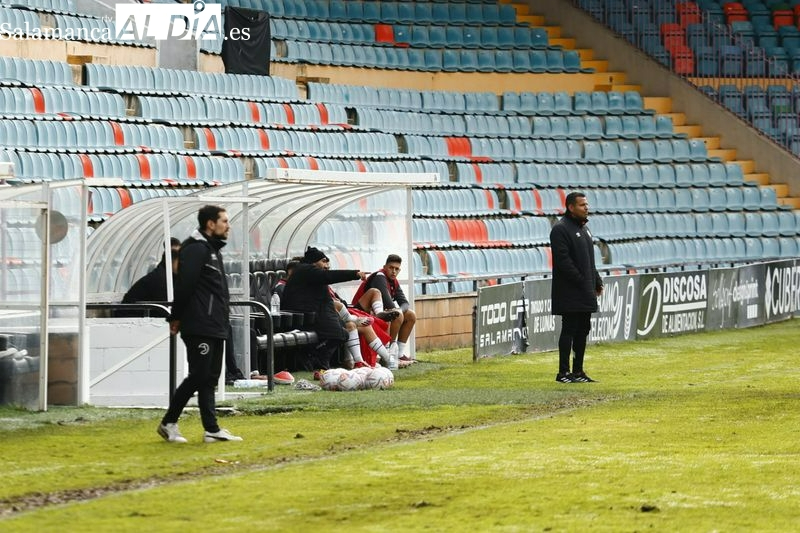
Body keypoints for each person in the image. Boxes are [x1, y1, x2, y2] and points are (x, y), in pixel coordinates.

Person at [158, 205, 242, 443]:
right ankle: (168, 422)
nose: (228, 225)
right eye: (224, 221)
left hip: (214, 323)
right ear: (210, 224)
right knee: (199, 374)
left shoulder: (212, 250)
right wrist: (176, 317)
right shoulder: (196, 249)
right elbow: (185, 286)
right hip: (200, 323)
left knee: (209, 377)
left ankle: (211, 430)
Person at [280, 247, 367, 372]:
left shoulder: (307, 271)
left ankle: (319, 362)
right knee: (338, 335)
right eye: (323, 261)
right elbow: (329, 276)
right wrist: (354, 274)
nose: (326, 265)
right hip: (304, 316)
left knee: (342, 334)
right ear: (314, 261)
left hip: (313, 313)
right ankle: (313, 359)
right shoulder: (307, 270)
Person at [549, 191, 604, 384]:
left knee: (583, 330)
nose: (586, 208)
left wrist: (596, 280)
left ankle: (578, 371)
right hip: (570, 290)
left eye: (587, 204)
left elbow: (589, 261)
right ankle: (563, 372)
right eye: (582, 205)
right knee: (569, 329)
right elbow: (564, 261)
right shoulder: (560, 229)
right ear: (571, 207)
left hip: (585, 289)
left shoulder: (585, 229)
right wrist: (582, 280)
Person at [352, 254, 417, 364]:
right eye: (391, 268)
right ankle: (389, 353)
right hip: (361, 313)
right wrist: (399, 311)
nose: (394, 271)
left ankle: (399, 353)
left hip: (378, 314)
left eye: (397, 269)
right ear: (385, 267)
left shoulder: (394, 281)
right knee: (397, 313)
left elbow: (405, 303)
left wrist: (400, 309)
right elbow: (388, 304)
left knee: (410, 315)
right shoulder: (379, 277)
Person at [122, 238, 181, 305]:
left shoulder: (166, 276)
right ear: (171, 261)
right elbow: (166, 305)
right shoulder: (160, 279)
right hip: (132, 314)